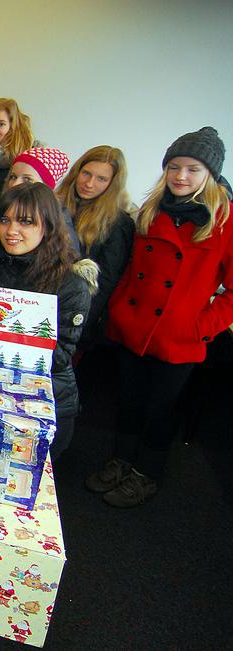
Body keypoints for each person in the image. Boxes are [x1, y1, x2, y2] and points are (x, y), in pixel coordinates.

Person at [89, 127, 232, 507]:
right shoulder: (151, 210)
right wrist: (117, 308)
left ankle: (146, 473)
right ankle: (120, 461)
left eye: (192, 169)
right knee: (130, 401)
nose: (181, 177)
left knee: (161, 409)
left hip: (178, 338)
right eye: (174, 167)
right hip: (133, 327)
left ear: (210, 175)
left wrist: (200, 326)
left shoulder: (224, 220)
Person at [0, 183, 96, 458]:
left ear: (46, 226)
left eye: (25, 221)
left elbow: (59, 356)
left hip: (40, 405)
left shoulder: (71, 284)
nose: (11, 230)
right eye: (4, 219)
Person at [56, 145, 136, 344]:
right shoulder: (54, 205)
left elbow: (105, 284)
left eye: (101, 179)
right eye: (86, 173)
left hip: (77, 318)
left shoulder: (118, 224)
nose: (89, 183)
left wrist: (76, 329)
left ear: (112, 184)